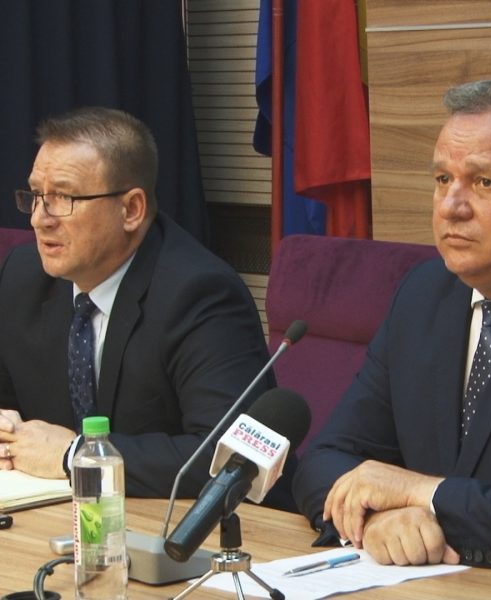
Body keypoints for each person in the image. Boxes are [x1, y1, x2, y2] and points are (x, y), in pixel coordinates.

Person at [292, 79, 491, 576]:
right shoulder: (424, 294)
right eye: (442, 179)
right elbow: (328, 460)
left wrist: (422, 494)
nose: (450, 206)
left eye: (484, 183)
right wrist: (379, 520)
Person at [0, 106, 281, 503]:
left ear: (131, 209)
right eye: (36, 195)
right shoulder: (23, 276)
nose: (39, 219)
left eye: (63, 197)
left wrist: (75, 456)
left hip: (170, 526)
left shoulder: (200, 293)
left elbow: (230, 458)